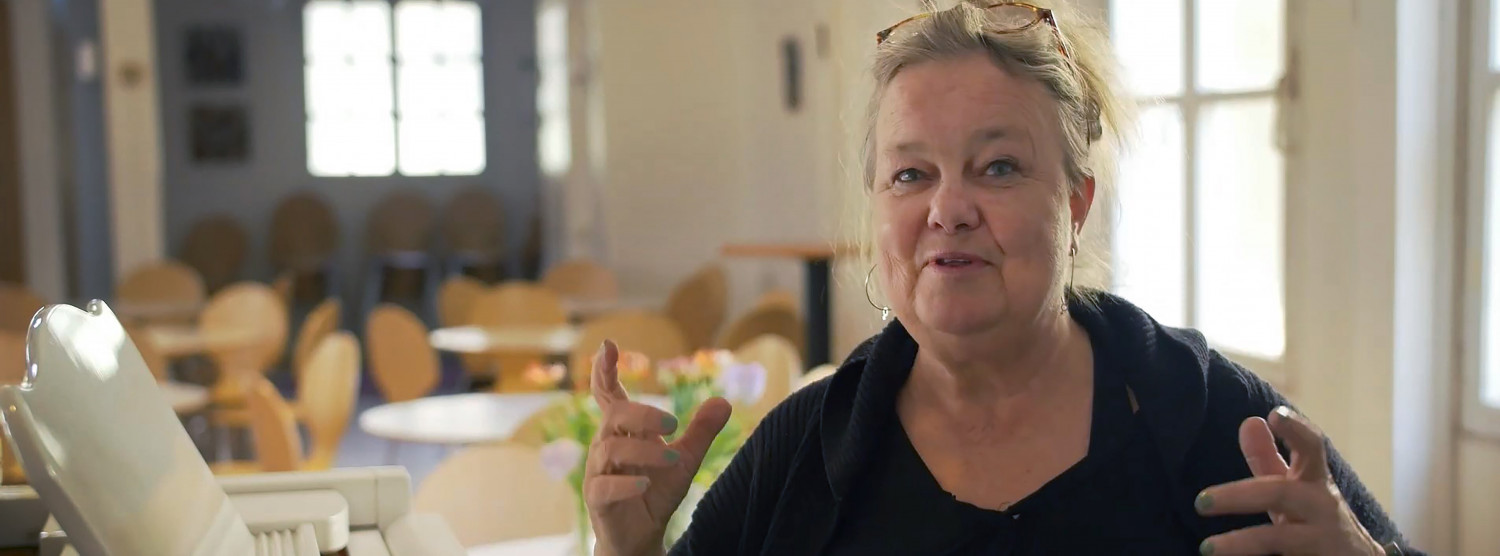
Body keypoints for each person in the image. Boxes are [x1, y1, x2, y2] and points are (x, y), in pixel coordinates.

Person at [581, 2, 1422, 555]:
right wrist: (630, 547)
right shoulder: (807, 451)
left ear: (1076, 204)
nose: (948, 209)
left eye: (998, 167)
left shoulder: (1211, 418)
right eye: (911, 175)